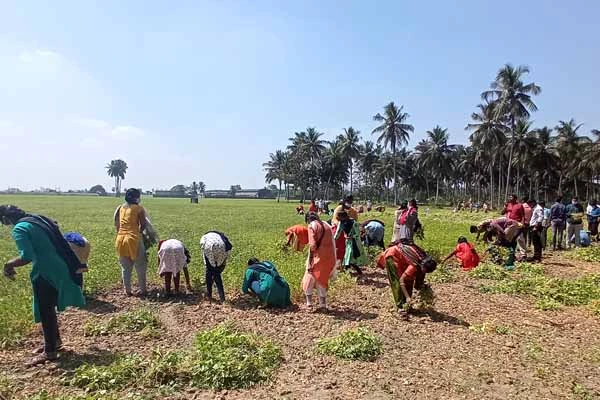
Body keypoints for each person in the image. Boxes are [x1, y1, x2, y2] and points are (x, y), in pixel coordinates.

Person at [1, 205, 85, 367]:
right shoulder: (38, 219)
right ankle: (56, 341)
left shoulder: (20, 228)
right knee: (49, 308)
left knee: (45, 309)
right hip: (61, 265)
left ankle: (50, 351)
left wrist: (8, 264)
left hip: (46, 272)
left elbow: (27, 256)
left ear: (6, 219)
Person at [376, 243, 437, 318]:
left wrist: (421, 286)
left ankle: (407, 305)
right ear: (423, 267)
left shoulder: (424, 260)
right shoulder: (414, 265)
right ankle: (400, 307)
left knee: (409, 280)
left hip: (403, 259)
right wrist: (408, 297)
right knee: (397, 282)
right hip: (392, 256)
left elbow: (415, 278)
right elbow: (402, 281)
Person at [114, 188, 148, 296]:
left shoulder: (120, 208)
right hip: (133, 239)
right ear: (136, 197)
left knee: (125, 267)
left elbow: (116, 224)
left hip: (120, 239)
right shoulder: (139, 208)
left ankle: (127, 291)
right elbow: (143, 224)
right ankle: (143, 290)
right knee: (140, 265)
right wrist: (140, 232)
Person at [302, 212, 336, 311]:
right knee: (322, 279)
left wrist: (310, 259)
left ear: (308, 219)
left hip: (317, 257)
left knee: (310, 277)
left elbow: (312, 245)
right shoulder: (326, 225)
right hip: (329, 257)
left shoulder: (312, 226)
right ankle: (323, 305)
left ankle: (309, 304)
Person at [200, 231, 232, 303]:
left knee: (209, 271)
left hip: (209, 247)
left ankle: (209, 296)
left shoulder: (205, 237)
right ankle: (222, 298)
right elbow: (228, 248)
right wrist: (217, 269)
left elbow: (202, 246)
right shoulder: (221, 236)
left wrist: (211, 267)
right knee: (216, 273)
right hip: (223, 247)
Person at [334, 211, 368, 275]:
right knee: (348, 257)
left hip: (355, 242)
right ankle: (350, 272)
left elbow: (357, 234)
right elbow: (338, 233)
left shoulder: (353, 223)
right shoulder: (341, 223)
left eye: (339, 217)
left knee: (349, 258)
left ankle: (356, 271)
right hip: (348, 242)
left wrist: (351, 237)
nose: (338, 218)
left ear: (344, 217)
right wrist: (333, 240)